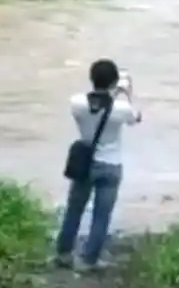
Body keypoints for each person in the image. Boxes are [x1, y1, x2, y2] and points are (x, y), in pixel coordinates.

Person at [53, 58, 142, 271]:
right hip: (111, 165)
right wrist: (126, 93)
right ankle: (89, 260)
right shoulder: (121, 108)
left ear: (91, 78)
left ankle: (64, 254)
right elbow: (135, 118)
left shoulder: (77, 103)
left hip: (85, 164)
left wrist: (111, 91)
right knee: (102, 215)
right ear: (114, 82)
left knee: (74, 209)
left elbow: (95, 105)